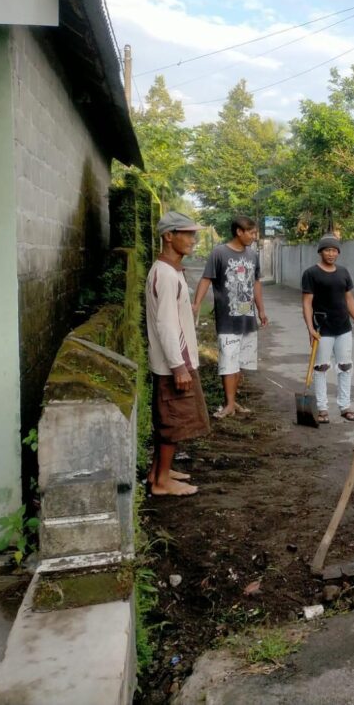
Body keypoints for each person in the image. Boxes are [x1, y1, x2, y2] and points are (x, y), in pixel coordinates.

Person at [145, 211, 211, 497]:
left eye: (194, 233)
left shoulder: (169, 272)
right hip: (174, 362)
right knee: (173, 422)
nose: (193, 239)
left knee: (167, 419)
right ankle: (161, 482)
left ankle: (159, 471)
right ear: (168, 236)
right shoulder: (165, 275)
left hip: (174, 361)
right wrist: (179, 366)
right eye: (187, 233)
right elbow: (167, 325)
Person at [192, 216, 268, 419]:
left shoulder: (252, 255)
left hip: (248, 319)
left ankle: (232, 402)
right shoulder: (219, 253)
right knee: (228, 360)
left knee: (241, 361)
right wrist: (196, 303)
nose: (254, 236)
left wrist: (261, 310)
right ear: (239, 232)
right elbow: (206, 278)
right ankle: (229, 404)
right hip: (227, 320)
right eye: (251, 233)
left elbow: (256, 283)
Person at [301, 234, 354, 423]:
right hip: (322, 328)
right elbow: (306, 303)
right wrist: (310, 328)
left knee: (345, 366)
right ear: (320, 251)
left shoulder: (343, 272)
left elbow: (349, 299)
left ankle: (345, 406)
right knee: (321, 368)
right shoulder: (311, 273)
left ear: (338, 252)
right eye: (327, 250)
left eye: (334, 250)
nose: (331, 253)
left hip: (343, 327)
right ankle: (322, 408)